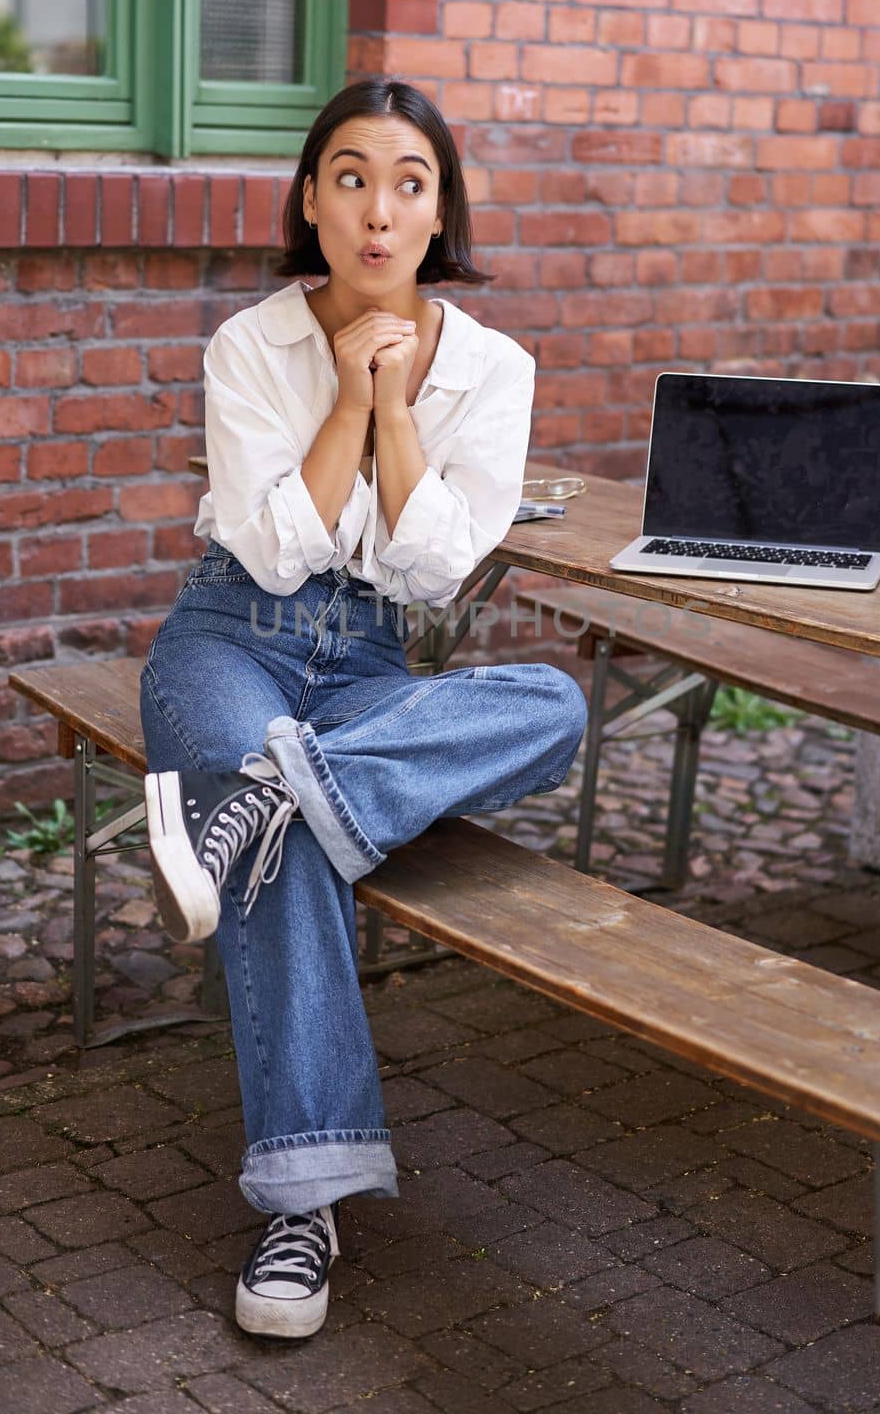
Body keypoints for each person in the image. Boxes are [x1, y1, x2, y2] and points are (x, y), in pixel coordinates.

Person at [139, 77, 588, 1341]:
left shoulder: (494, 368)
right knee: (279, 830)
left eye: (408, 182)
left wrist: (398, 405)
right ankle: (304, 1202)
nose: (377, 212)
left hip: (372, 669)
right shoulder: (249, 345)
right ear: (309, 199)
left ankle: (276, 792)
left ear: (440, 212)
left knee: (549, 701)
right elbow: (274, 554)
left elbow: (438, 572)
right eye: (349, 177)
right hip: (229, 638)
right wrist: (346, 393)